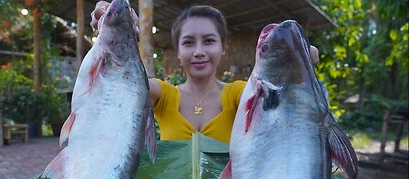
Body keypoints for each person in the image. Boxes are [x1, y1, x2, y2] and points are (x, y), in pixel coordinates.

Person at [91, 2, 319, 144]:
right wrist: (113, 25)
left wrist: (298, 55)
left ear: (223, 47)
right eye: (188, 43)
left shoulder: (238, 94)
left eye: (209, 41)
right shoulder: (164, 95)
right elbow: (124, 82)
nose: (199, 52)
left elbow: (303, 63)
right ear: (178, 51)